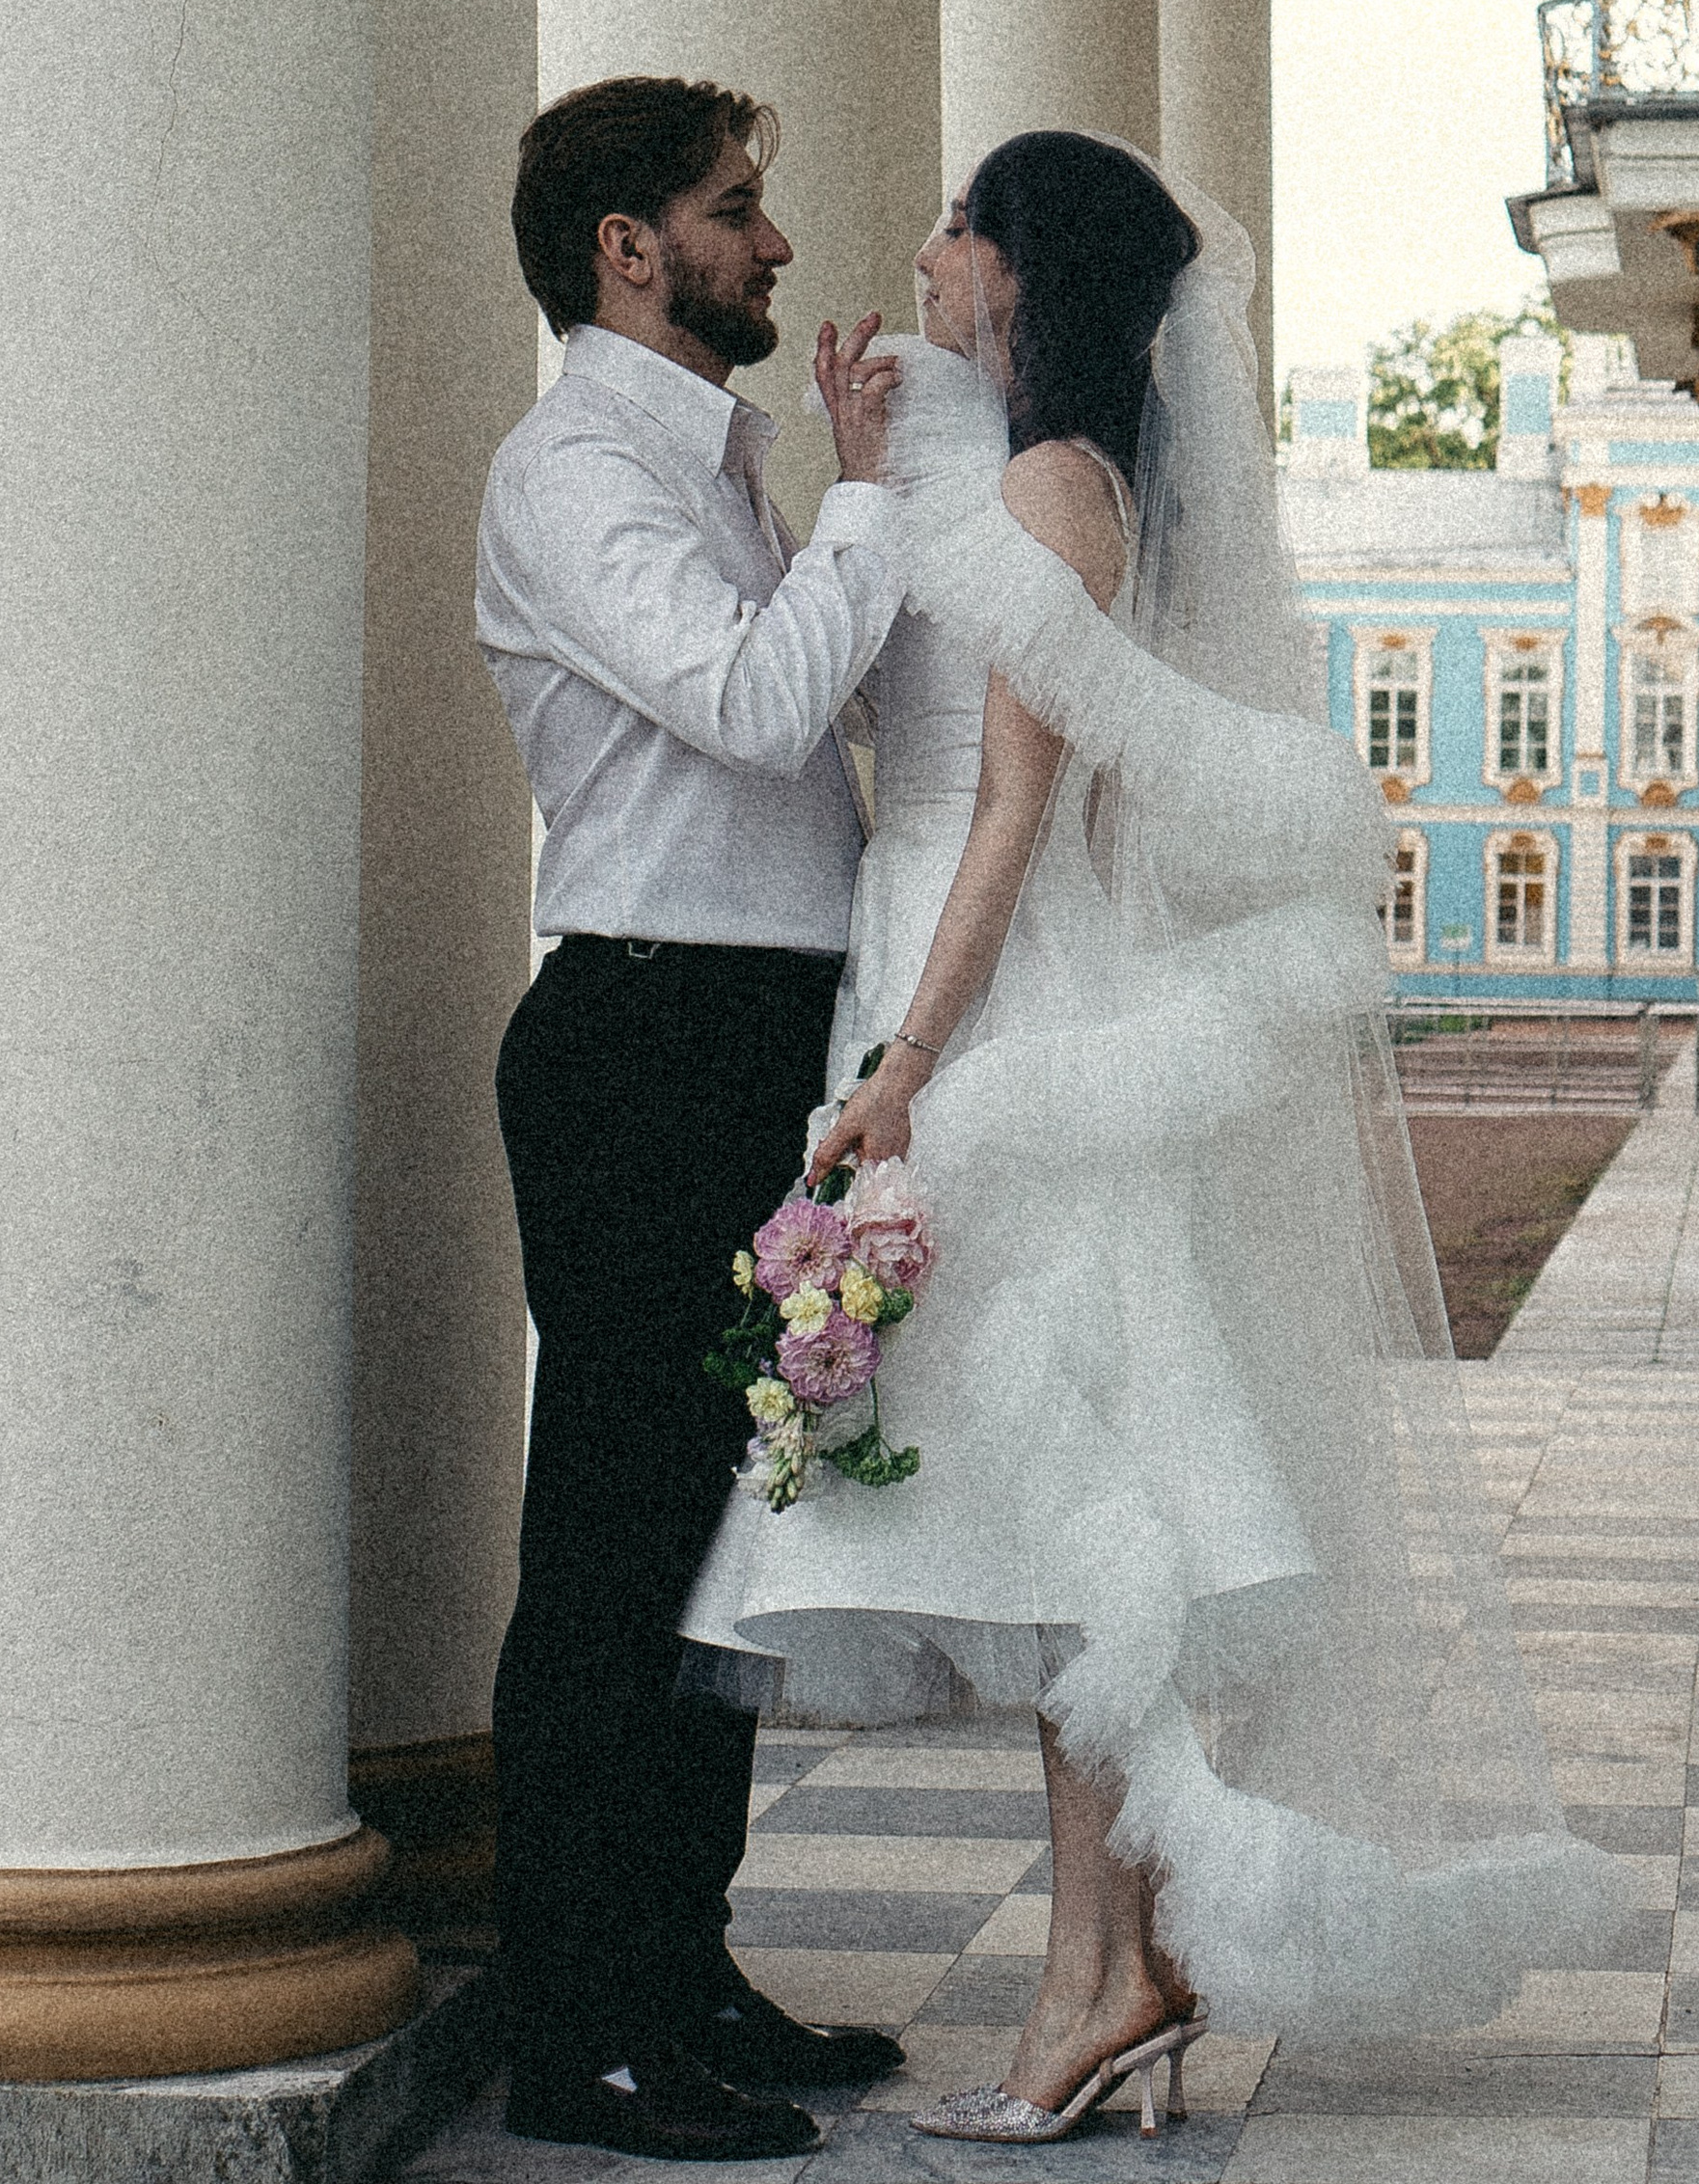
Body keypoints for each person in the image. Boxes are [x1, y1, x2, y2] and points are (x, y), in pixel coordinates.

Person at [684, 130, 1630, 2142]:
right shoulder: (1021, 479)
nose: (924, 253)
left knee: (1080, 1525)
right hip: (952, 962)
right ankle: (1117, 1969)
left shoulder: (1043, 491)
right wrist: (854, 486)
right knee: (1066, 1532)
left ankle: (1098, 1982)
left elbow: (1013, 817)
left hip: (1005, 998)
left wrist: (907, 1068)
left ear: (1024, 277)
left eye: (956, 230)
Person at [476, 73, 917, 2160]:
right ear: (624, 249)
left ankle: (682, 1965)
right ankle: (574, 2032)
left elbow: (803, 699)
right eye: (739, 209)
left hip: (749, 1044)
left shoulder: (713, 464)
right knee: (613, 1546)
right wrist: (864, 501)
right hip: (642, 1042)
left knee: (719, 1539)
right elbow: (754, 707)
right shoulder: (571, 474)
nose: (776, 244)